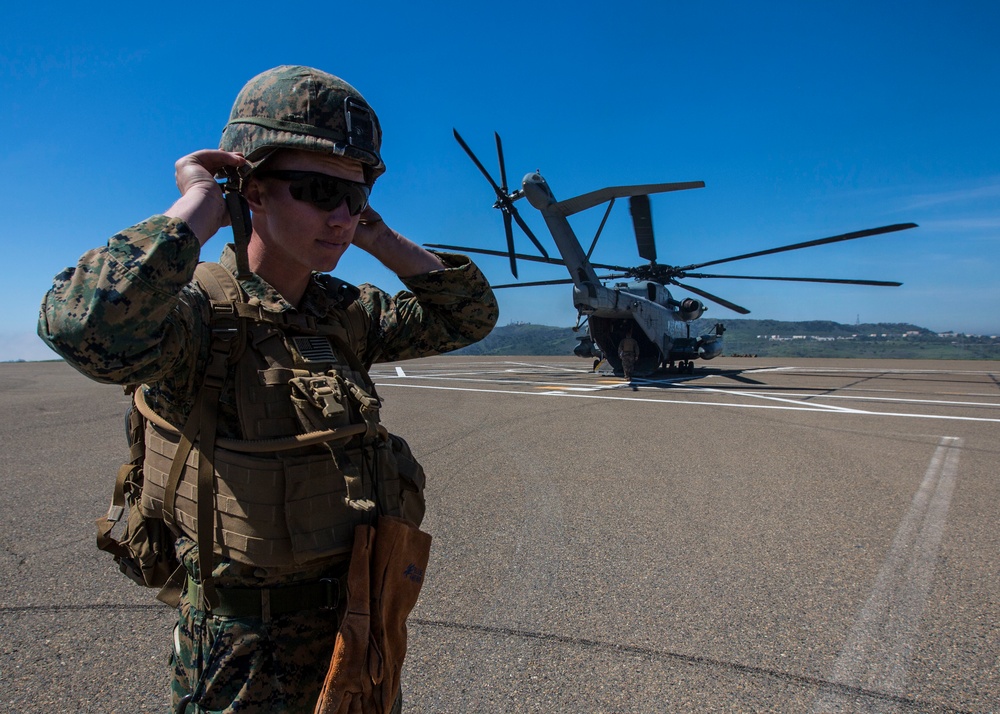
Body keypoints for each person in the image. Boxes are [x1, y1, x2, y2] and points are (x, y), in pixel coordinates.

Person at [38, 65, 498, 713]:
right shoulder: (197, 315)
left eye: (357, 195)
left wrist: (375, 233)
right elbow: (82, 320)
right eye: (316, 190)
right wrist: (198, 204)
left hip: (356, 625)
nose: (340, 216)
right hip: (241, 650)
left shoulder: (344, 313)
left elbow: (468, 316)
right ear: (250, 187)